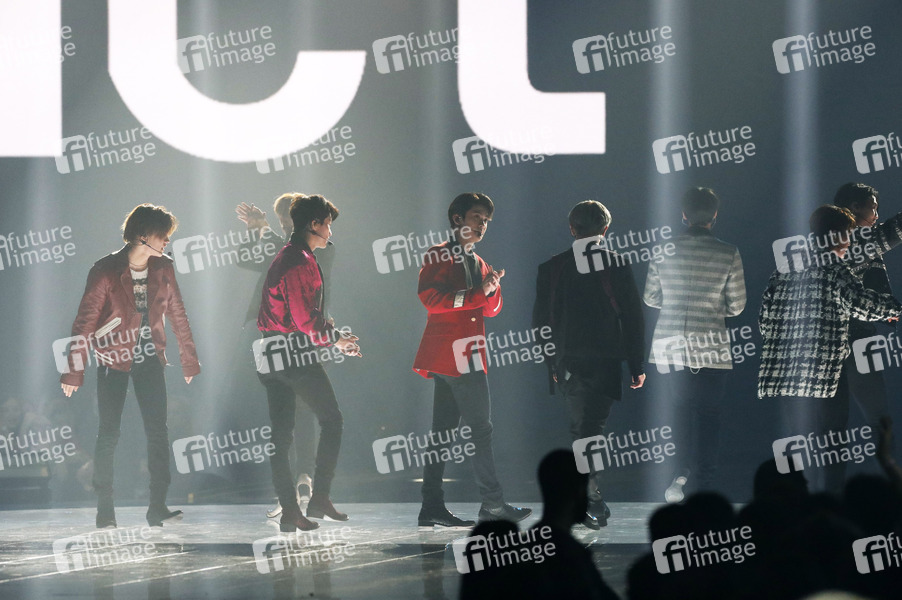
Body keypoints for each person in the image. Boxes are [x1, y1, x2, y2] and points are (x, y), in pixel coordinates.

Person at [60, 204, 200, 528]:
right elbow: (85, 321)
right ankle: (105, 509)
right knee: (109, 433)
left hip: (150, 356)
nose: (167, 241)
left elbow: (178, 313)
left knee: (158, 431)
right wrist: (74, 370)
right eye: (163, 235)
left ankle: (157, 506)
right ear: (143, 235)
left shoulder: (164, 267)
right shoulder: (105, 269)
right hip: (113, 358)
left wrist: (189, 359)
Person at [758, 205, 902, 493]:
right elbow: (861, 303)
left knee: (798, 440)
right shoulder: (834, 268)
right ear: (836, 236)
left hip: (787, 374)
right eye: (847, 235)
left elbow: (764, 320)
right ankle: (829, 501)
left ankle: (796, 500)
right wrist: (894, 309)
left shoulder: (784, 269)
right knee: (832, 442)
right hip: (824, 376)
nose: (849, 242)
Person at [413, 192, 531, 527]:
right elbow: (430, 299)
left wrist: (492, 289)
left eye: (486, 220)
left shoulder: (480, 262)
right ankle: (492, 504)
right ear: (457, 219)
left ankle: (431, 506)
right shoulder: (439, 254)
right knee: (481, 429)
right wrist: (481, 292)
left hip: (464, 354)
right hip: (456, 356)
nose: (483, 224)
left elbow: (491, 309)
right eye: (477, 217)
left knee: (442, 434)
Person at [533, 200, 646, 527]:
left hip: (567, 361)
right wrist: (636, 365)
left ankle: (590, 498)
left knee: (583, 430)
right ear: (605, 229)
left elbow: (540, 322)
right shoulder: (616, 264)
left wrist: (551, 362)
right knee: (590, 429)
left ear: (572, 228)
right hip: (605, 362)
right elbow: (633, 318)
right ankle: (591, 498)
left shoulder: (551, 267)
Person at [256, 193, 361, 532]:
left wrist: (335, 337)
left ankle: (291, 510)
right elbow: (304, 319)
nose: (330, 231)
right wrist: (336, 339)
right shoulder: (298, 259)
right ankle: (319, 497)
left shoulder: (291, 255)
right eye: (327, 224)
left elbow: (300, 315)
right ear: (314, 224)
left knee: (281, 435)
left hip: (270, 349)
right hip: (292, 352)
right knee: (332, 420)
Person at [643, 187, 746, 501]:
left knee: (678, 414)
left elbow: (651, 297)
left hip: (670, 348)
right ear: (714, 215)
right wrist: (712, 307)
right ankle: (703, 484)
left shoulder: (663, 250)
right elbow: (737, 306)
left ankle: (678, 475)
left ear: (683, 215)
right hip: (712, 348)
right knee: (709, 418)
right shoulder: (729, 252)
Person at [235, 195, 332, 518]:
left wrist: (265, 231)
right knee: (282, 416)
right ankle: (289, 490)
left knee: (305, 409)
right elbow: (245, 259)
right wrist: (255, 230)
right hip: (273, 335)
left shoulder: (320, 249)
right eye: (280, 222)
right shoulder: (279, 246)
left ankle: (304, 476)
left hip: (302, 335)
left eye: (288, 220)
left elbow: (290, 254)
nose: (285, 226)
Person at [833, 183, 902, 431]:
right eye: (873, 208)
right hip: (855, 340)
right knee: (877, 418)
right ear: (854, 208)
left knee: (830, 426)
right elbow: (895, 229)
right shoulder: (855, 240)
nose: (876, 216)